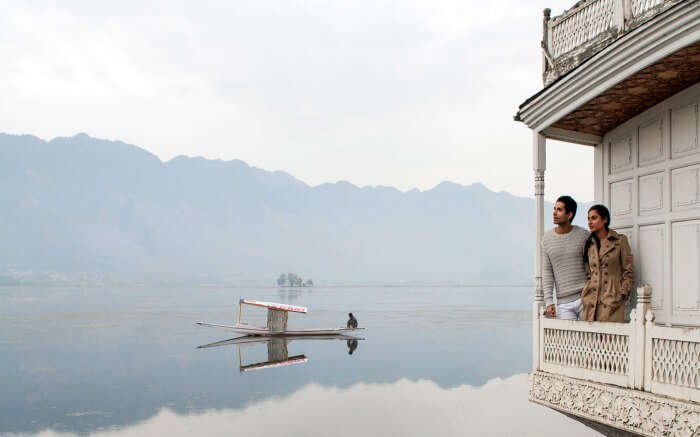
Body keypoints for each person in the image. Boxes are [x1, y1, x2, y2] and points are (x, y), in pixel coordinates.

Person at [581, 205, 634, 322]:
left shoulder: (620, 241)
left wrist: (622, 294)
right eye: (588, 219)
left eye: (594, 218)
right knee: (590, 339)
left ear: (605, 219)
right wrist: (586, 295)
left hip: (612, 301)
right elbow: (589, 274)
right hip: (591, 301)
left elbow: (628, 272)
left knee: (609, 339)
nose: (590, 222)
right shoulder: (588, 244)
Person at [542, 195, 590, 320]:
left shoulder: (584, 235)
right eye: (554, 208)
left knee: (590, 338)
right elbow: (547, 271)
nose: (554, 213)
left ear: (569, 215)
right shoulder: (546, 239)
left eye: (559, 210)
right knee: (570, 339)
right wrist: (548, 301)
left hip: (585, 297)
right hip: (564, 303)